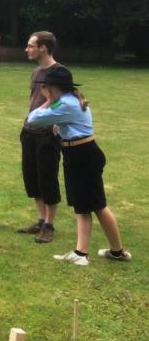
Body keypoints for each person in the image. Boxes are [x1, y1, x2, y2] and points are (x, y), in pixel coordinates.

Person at [26, 66, 131, 266]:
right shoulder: (70, 101)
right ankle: (85, 252)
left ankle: (110, 252)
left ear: (53, 87)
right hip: (77, 153)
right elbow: (66, 125)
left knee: (98, 205)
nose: (42, 90)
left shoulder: (65, 104)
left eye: (45, 88)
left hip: (82, 156)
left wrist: (48, 101)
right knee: (83, 206)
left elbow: (33, 119)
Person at [17, 31, 63, 244]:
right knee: (32, 177)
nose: (27, 49)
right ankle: (40, 219)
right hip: (30, 132)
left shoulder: (60, 73)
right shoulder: (35, 73)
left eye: (30, 45)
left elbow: (64, 103)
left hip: (48, 135)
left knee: (47, 178)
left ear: (43, 47)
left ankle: (49, 225)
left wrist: (56, 123)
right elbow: (34, 100)